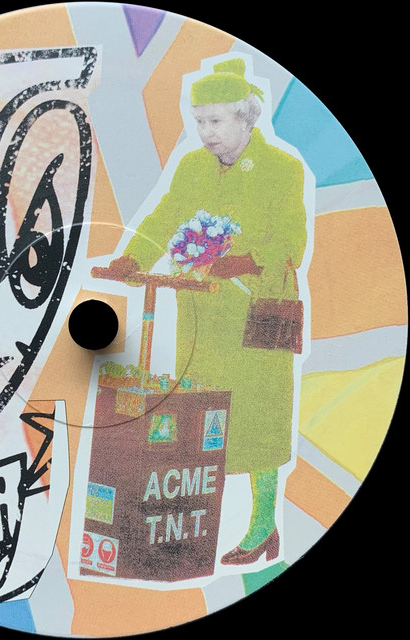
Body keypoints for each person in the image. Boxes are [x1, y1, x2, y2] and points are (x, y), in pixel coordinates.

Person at [110, 58, 307, 564]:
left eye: (215, 121)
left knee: (258, 416)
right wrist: (135, 257)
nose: (205, 132)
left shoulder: (281, 168)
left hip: (261, 311)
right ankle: (194, 529)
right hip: (203, 314)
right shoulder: (192, 167)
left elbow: (292, 239)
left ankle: (263, 526)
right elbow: (165, 216)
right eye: (199, 121)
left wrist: (245, 260)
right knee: (201, 418)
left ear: (246, 117)